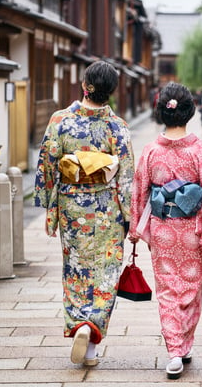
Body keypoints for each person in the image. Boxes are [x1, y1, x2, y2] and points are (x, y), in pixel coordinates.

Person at [128, 82, 202, 380]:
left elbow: (139, 192)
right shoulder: (201, 151)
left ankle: (177, 348)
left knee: (167, 292)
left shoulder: (150, 151)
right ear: (190, 112)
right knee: (189, 290)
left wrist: (136, 227)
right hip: (193, 231)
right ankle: (180, 347)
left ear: (162, 111)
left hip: (163, 231)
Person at [34, 60, 135, 367]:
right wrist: (130, 216)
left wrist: (49, 208)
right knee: (104, 275)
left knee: (76, 270)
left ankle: (79, 323)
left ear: (85, 86)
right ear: (112, 92)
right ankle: (91, 339)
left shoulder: (60, 120)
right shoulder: (117, 127)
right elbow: (127, 177)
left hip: (72, 207)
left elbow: (47, 165)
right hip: (107, 210)